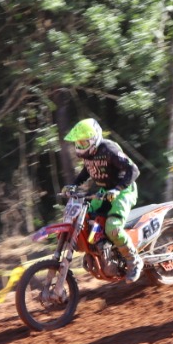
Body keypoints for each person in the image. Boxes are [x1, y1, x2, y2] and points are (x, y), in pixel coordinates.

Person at [64, 118, 143, 283]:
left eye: (84, 142)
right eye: (78, 143)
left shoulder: (109, 149)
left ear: (94, 138)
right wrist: (73, 185)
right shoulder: (89, 154)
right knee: (87, 219)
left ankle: (134, 260)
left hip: (123, 191)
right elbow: (87, 171)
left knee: (112, 227)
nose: (80, 146)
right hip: (103, 192)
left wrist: (118, 189)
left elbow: (133, 170)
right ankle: (101, 251)